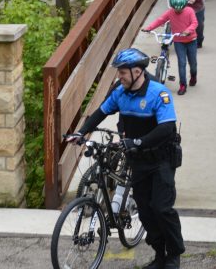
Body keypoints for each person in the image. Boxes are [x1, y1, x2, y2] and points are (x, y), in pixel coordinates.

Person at [67, 48, 185, 269]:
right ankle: (160, 255)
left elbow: (166, 128)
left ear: (137, 72)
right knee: (146, 212)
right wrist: (81, 132)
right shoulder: (120, 92)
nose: (119, 77)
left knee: (161, 208)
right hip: (138, 161)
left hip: (161, 159)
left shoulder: (158, 94)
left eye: (122, 72)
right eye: (118, 73)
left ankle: (174, 255)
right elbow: (100, 113)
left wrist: (136, 142)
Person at [142, 0, 198, 96]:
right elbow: (160, 20)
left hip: (191, 40)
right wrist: (149, 28)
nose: (178, 10)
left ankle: (193, 76)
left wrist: (188, 30)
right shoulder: (170, 12)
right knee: (182, 63)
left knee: (193, 63)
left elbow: (194, 23)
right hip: (178, 41)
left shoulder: (190, 11)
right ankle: (182, 85)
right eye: (175, 9)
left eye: (180, 9)